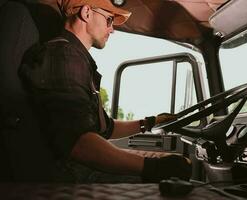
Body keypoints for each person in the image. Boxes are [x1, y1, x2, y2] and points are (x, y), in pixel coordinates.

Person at [19, 0, 191, 183]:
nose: (112, 29)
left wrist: (150, 122)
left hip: (78, 168)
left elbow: (105, 128)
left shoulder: (75, 58)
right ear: (86, 13)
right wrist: (153, 168)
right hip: (72, 176)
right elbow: (79, 143)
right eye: (109, 20)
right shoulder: (64, 56)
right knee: (176, 177)